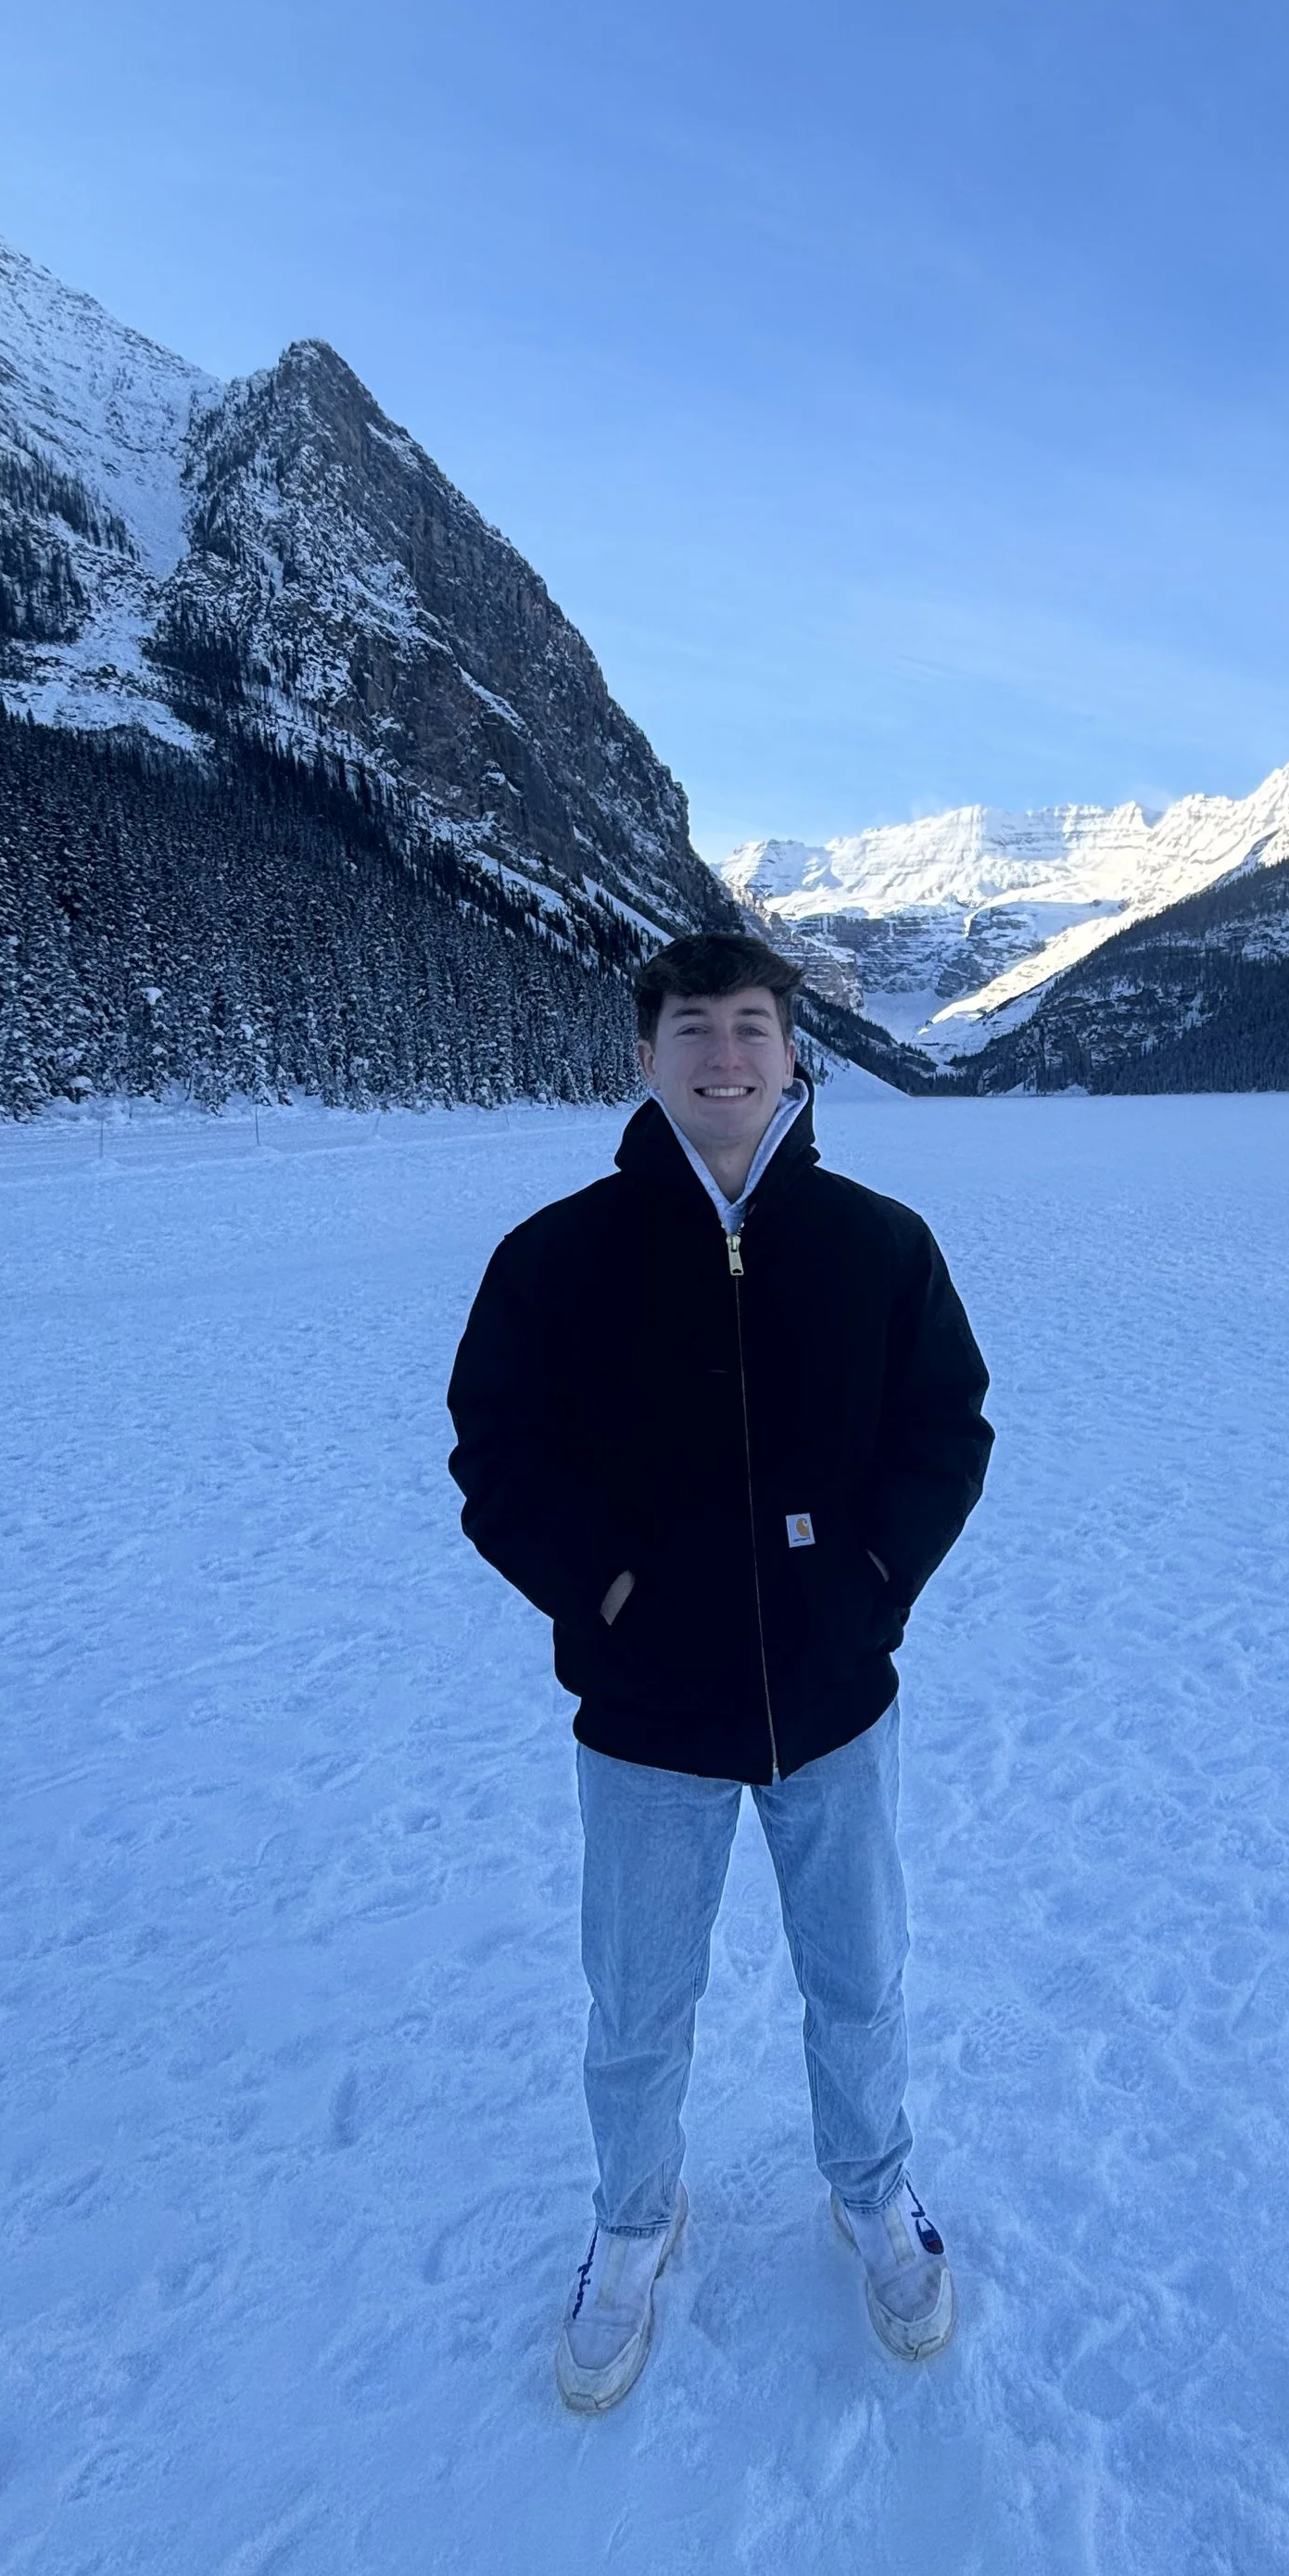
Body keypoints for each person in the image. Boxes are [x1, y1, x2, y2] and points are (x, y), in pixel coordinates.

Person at [446, 932, 993, 2413]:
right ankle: (635, 2223)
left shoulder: (879, 1245)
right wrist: (610, 1588)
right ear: (645, 1056)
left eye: (753, 1026)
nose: (727, 1055)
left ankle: (872, 2197)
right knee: (635, 2004)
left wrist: (873, 1583)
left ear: (793, 1052)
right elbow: (496, 1456)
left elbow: (948, 1430)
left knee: (858, 1983)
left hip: (833, 1713)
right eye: (694, 1029)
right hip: (643, 1723)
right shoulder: (557, 1259)